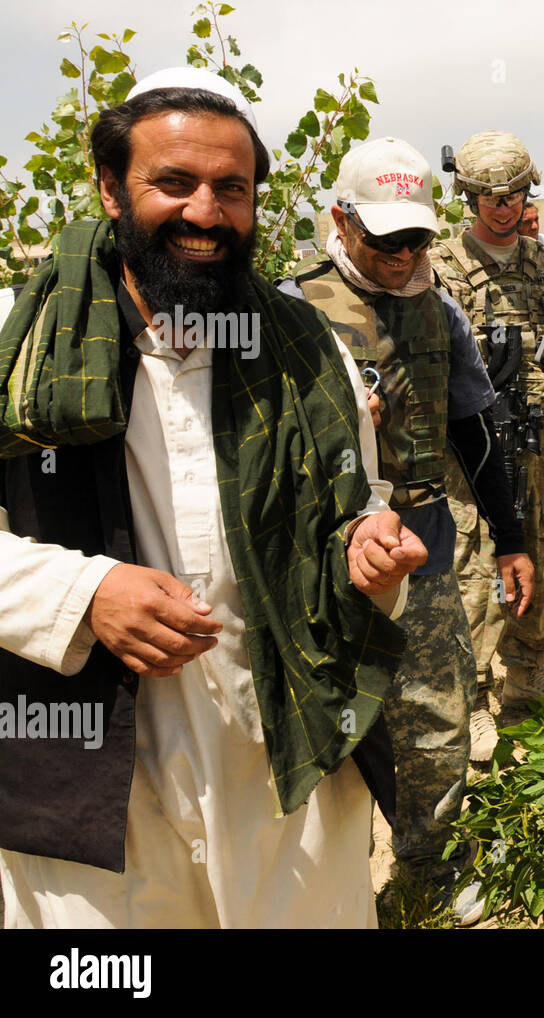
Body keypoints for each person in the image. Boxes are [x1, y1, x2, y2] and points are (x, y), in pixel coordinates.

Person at [0, 68, 424, 928]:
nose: (205, 214)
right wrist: (81, 595)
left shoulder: (311, 354)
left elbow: (360, 511)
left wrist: (378, 561)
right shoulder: (18, 344)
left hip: (286, 774)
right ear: (110, 186)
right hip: (95, 785)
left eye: (232, 189)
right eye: (174, 183)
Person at [278, 136, 533, 915]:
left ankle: (429, 865)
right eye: (386, 237)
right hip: (319, 557)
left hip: (423, 538)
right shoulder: (290, 309)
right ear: (340, 220)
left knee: (433, 714)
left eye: (418, 236)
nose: (404, 253)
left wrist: (514, 537)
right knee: (331, 721)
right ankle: (331, 883)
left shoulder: (437, 306)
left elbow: (475, 426)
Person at [429, 130, 544, 743]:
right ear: (468, 197)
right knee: (470, 566)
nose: (503, 207)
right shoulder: (440, 269)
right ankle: (474, 694)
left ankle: (528, 676)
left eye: (514, 195)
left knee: (530, 554)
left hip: (533, 441)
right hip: (465, 447)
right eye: (490, 197)